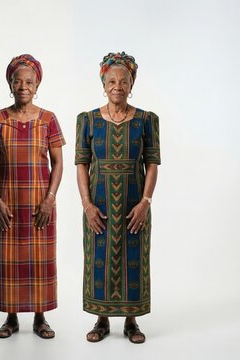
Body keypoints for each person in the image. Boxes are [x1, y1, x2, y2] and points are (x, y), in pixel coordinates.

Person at [75, 52, 160, 344]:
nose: (117, 86)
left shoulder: (147, 120)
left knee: (133, 258)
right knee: (98, 256)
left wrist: (145, 203)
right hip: (97, 204)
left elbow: (152, 163)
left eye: (124, 81)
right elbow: (81, 165)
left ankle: (131, 321)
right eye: (111, 80)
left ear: (132, 83)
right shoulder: (86, 120)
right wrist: (86, 205)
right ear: (103, 83)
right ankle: (101, 320)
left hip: (133, 203)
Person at [0, 54, 64, 339]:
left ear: (37, 84)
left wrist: (50, 199)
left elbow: (58, 163)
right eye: (17, 80)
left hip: (40, 203)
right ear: (10, 84)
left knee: (40, 259)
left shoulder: (48, 119)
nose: (23, 86)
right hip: (7, 203)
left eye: (29, 81)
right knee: (8, 259)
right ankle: (11, 317)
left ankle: (41, 318)